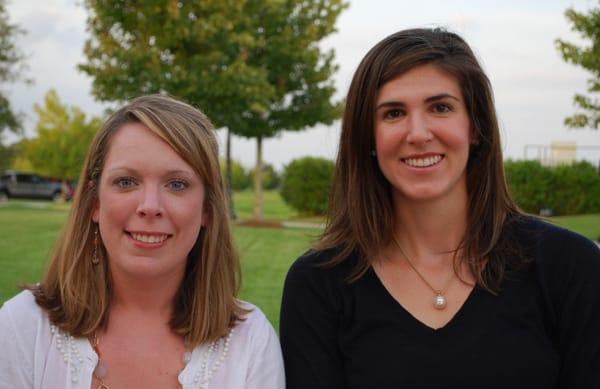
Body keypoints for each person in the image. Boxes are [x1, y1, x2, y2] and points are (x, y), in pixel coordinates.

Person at [279, 28, 600, 389]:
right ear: (367, 137)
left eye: (440, 107)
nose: (418, 132)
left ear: (474, 127)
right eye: (393, 113)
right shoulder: (319, 284)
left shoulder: (570, 266)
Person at [0, 95, 285, 389]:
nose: (149, 206)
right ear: (94, 202)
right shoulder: (23, 327)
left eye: (177, 184)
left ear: (207, 210)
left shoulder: (249, 342)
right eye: (126, 182)